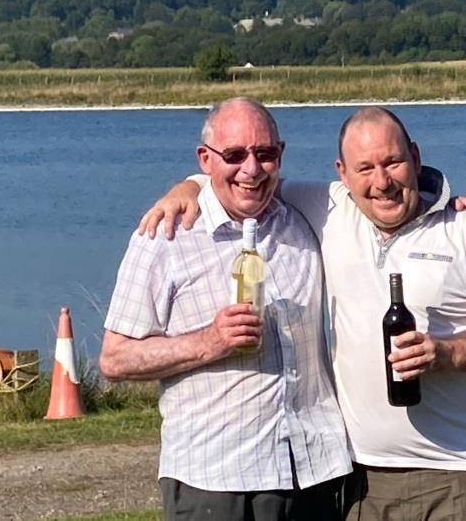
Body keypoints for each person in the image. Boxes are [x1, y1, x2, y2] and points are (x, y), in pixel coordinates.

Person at [139, 105, 466, 520]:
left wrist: (449, 355)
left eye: (393, 162)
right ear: (342, 174)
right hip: (361, 484)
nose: (382, 182)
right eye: (364, 168)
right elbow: (245, 179)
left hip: (459, 476)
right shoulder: (329, 208)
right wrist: (187, 188)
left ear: (416, 159)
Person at [99, 97, 353, 521]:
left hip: (314, 473)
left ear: (280, 155)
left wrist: (454, 208)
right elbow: (114, 358)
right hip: (216, 481)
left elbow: (381, 194)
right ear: (206, 160)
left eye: (264, 154)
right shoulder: (165, 237)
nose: (251, 170)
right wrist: (208, 343)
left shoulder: (306, 220)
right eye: (234, 155)